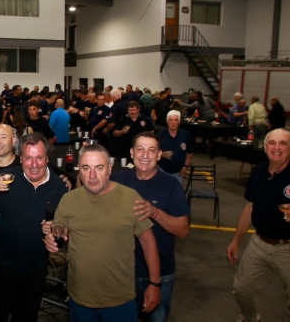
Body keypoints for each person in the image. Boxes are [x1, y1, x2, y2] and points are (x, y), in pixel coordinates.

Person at [44, 144, 160, 321]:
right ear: (79, 171)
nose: (92, 175)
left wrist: (154, 283)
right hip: (79, 299)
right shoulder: (69, 200)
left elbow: (148, 242)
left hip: (120, 301)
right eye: (86, 168)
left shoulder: (130, 198)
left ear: (110, 169)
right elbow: (59, 232)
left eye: (99, 168)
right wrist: (51, 239)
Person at [0, 133, 68, 322]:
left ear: (47, 158)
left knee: (26, 318)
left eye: (39, 157)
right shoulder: (7, 179)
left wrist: (56, 232)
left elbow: (66, 226)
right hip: (2, 268)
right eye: (28, 157)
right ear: (21, 159)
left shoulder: (60, 187)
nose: (34, 164)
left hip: (36, 270)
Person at [111, 132, 189, 321]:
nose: (145, 155)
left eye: (151, 150)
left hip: (161, 275)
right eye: (140, 149)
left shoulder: (171, 185)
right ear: (131, 152)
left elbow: (183, 230)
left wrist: (155, 212)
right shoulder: (118, 180)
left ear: (159, 155)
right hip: (124, 273)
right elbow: (90, 186)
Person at [227, 129, 290, 322]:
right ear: (265, 147)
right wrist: (236, 240)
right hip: (259, 243)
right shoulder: (257, 171)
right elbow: (249, 207)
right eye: (272, 143)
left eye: (283, 143)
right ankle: (249, 319)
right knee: (241, 290)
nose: (277, 148)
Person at [156, 110, 193, 183]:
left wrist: (185, 166)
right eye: (170, 120)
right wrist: (162, 154)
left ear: (179, 121)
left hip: (178, 173)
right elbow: (153, 152)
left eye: (175, 120)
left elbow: (190, 152)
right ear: (167, 121)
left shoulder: (185, 135)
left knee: (175, 193)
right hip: (162, 170)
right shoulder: (160, 135)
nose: (173, 122)